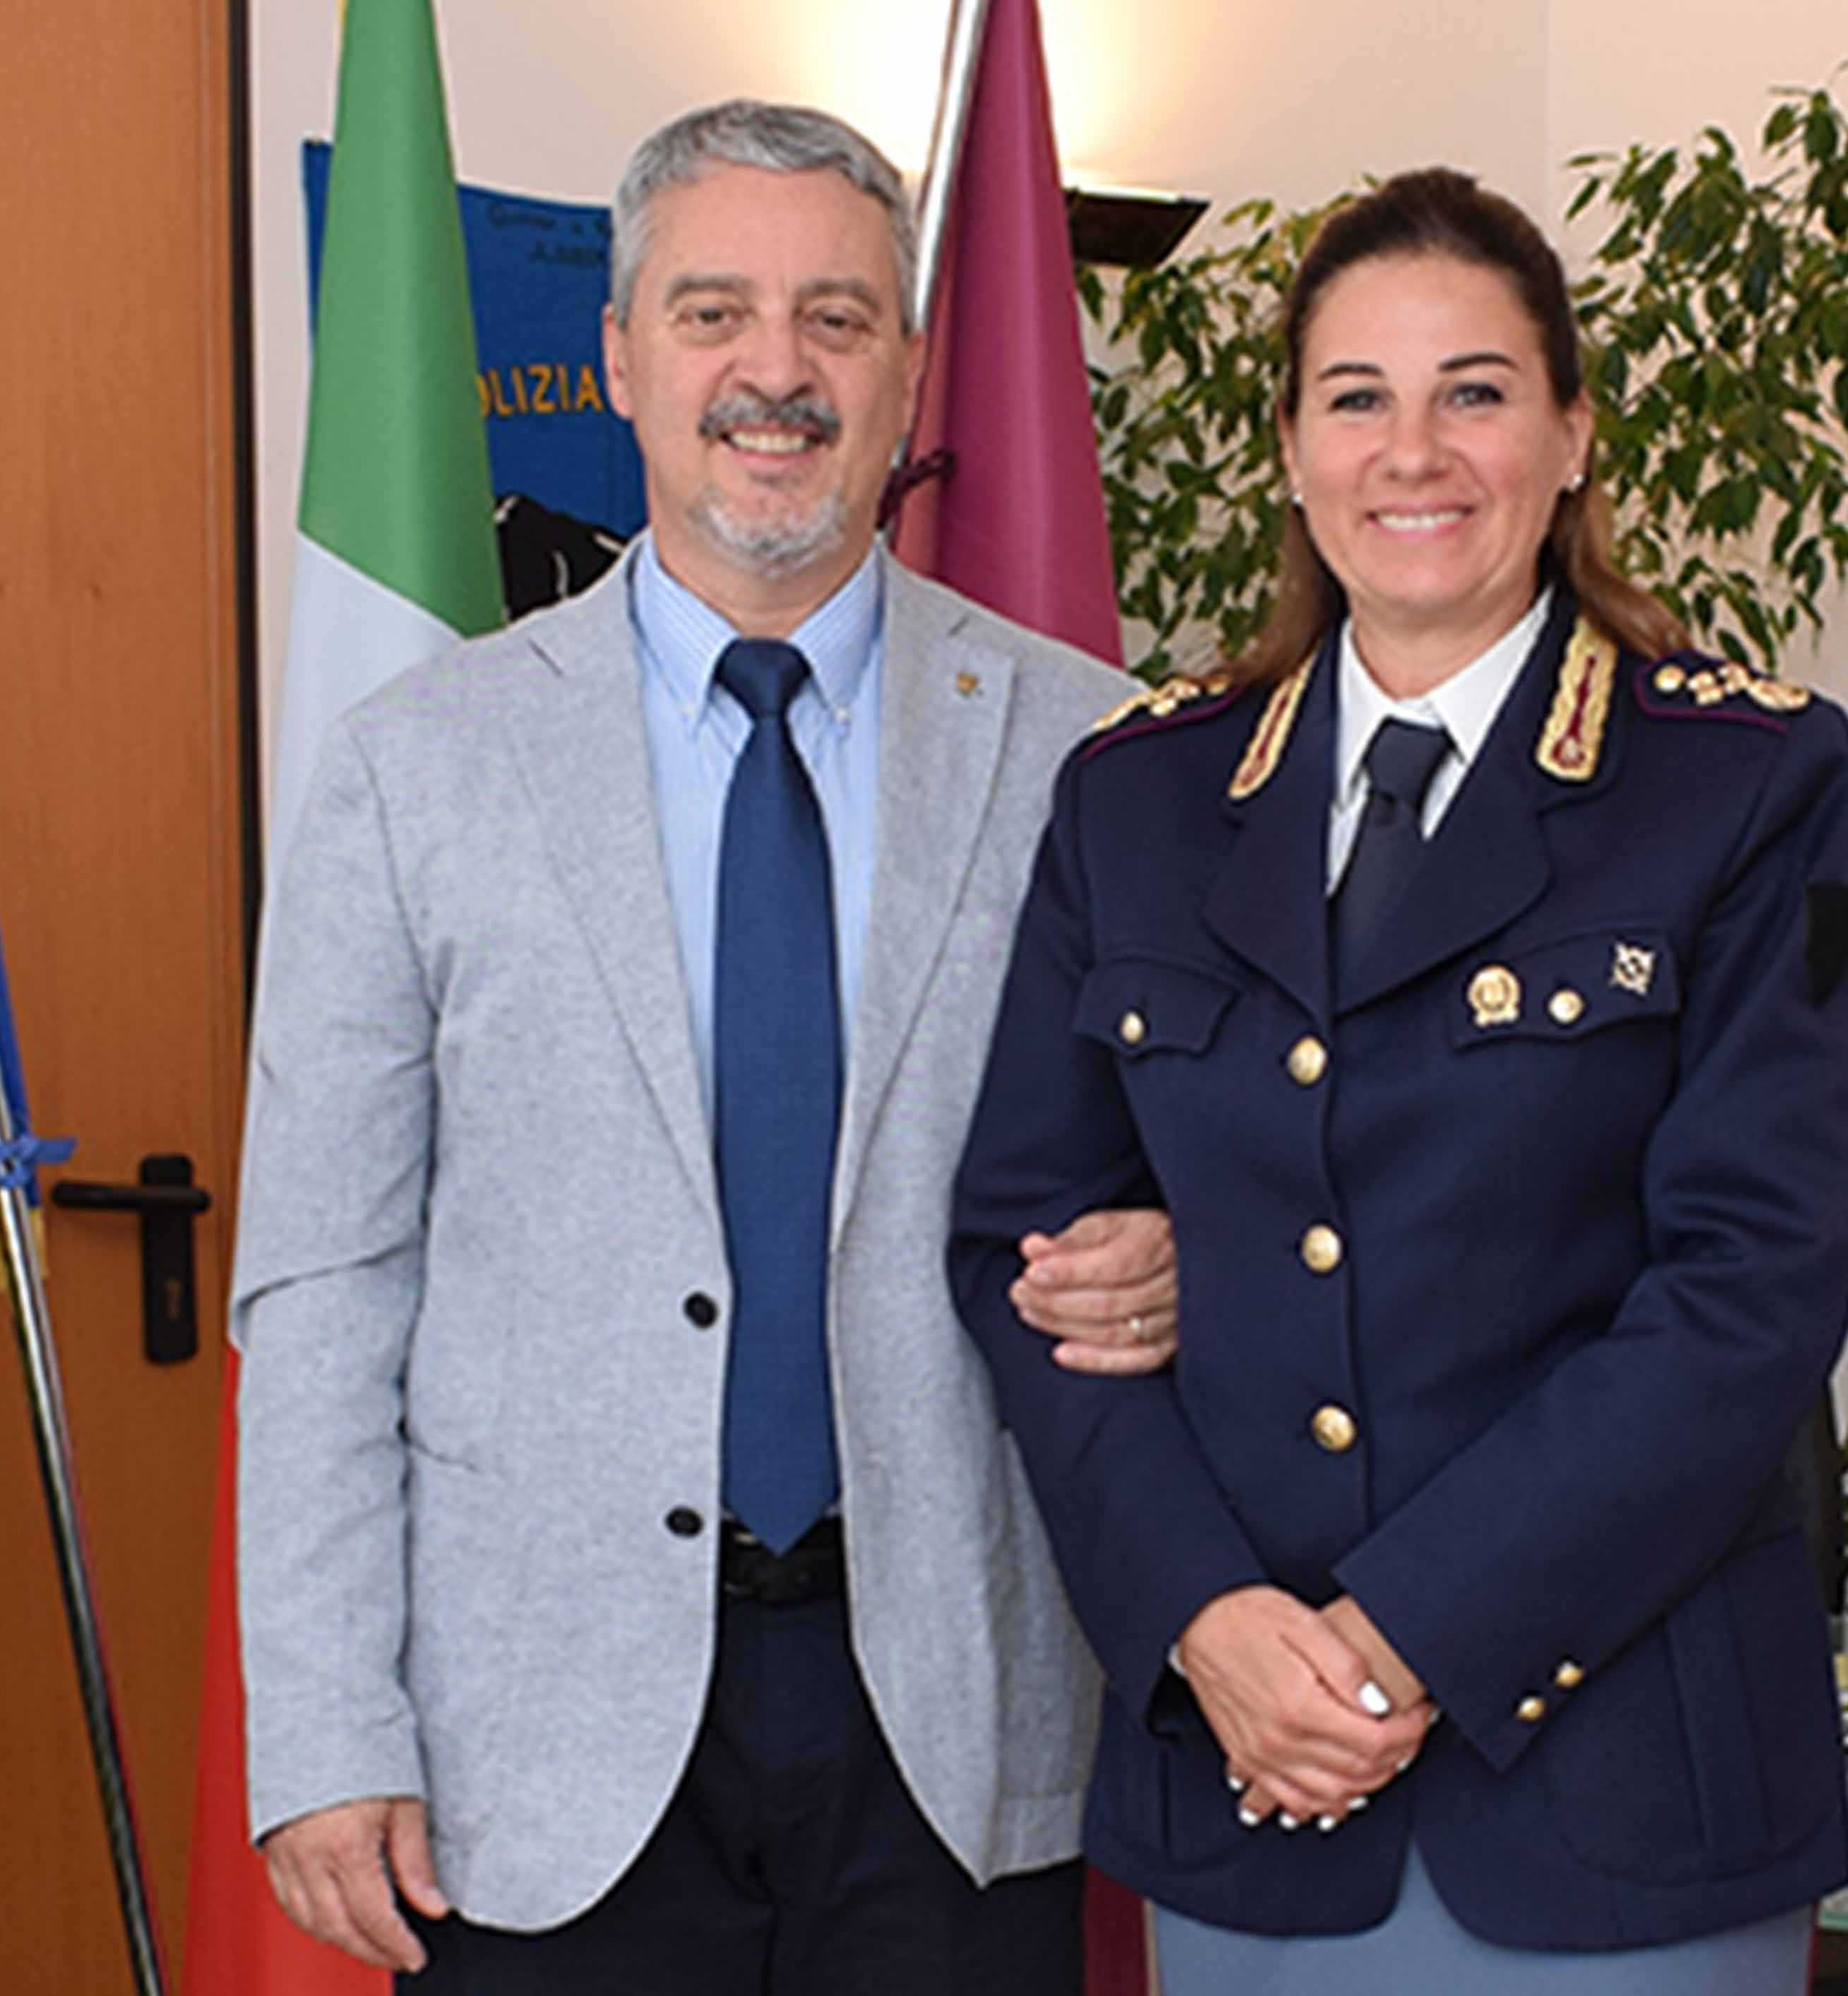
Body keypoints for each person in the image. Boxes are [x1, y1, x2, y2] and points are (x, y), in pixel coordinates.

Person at [231, 100, 1176, 1995]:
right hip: (537, 1745)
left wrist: (1179, 1247)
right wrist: (326, 1726)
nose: (775, 371)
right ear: (619, 356)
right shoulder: (417, 768)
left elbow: (1219, 1163)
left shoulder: (1093, 750)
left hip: (953, 1723)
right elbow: (328, 1281)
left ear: (909, 362)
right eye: (713, 310)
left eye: (836, 316)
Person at [948, 165, 1848, 1993]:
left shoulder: (1741, 785)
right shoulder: (1139, 798)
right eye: (1356, 398)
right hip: (1247, 1779)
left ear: (1570, 433)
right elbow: (1021, 1256)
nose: (1413, 452)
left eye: (1474, 391)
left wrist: (1404, 1639)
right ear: (1291, 452)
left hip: (1619, 1800)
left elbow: (1750, 1291)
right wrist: (1205, 1619)